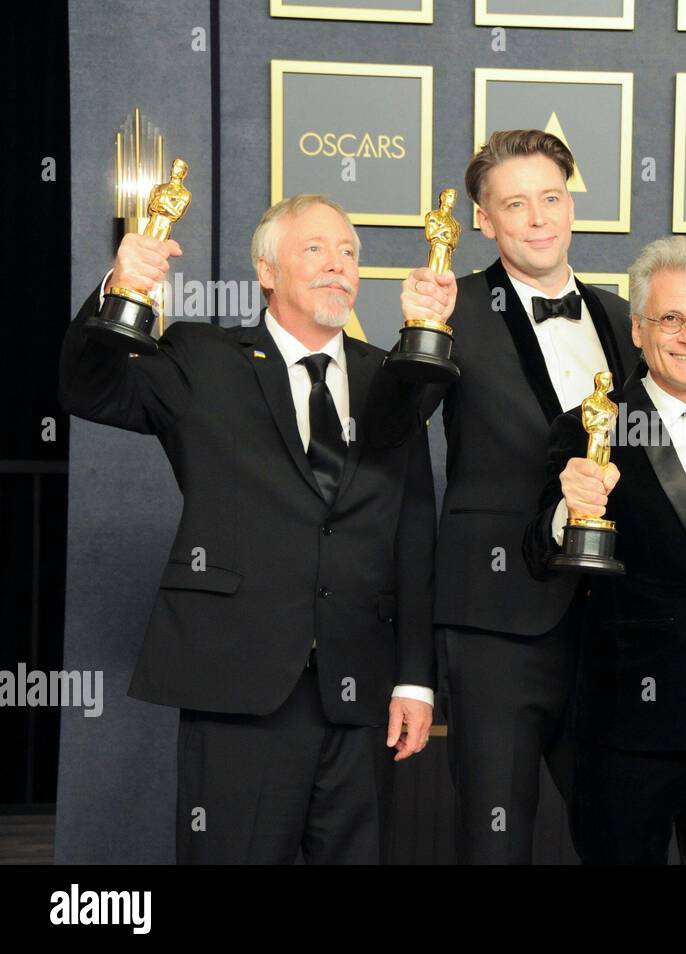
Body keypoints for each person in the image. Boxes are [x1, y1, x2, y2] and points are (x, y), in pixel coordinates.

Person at [59, 193, 437, 863]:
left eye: (349, 252)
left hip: (360, 693)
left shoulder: (390, 377)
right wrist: (121, 293)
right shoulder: (201, 357)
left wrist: (414, 677)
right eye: (314, 249)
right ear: (265, 270)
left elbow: (413, 533)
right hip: (238, 688)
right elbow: (89, 390)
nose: (338, 265)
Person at [392, 129, 639, 863]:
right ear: (483, 220)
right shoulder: (452, 306)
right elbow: (392, 433)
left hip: (612, 626)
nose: (539, 218)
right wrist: (418, 334)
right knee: (494, 838)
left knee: (623, 834)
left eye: (552, 198)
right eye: (516, 203)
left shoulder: (625, 318)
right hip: (495, 625)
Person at [523, 236, 686, 864]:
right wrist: (570, 509)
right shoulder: (592, 423)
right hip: (631, 725)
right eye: (669, 317)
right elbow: (535, 551)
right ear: (637, 330)